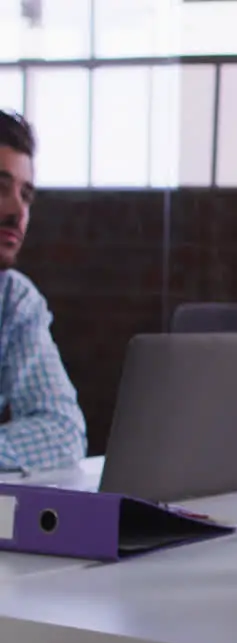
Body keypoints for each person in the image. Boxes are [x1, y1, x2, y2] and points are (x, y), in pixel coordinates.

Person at [0, 110, 86, 471]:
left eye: (26, 195)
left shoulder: (14, 300)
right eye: (0, 188)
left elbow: (63, 431)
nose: (18, 211)